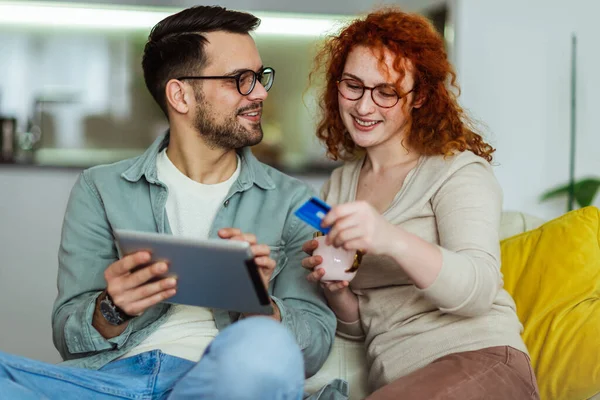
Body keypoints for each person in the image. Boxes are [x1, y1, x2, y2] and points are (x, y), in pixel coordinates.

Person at [0, 6, 337, 400]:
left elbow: (313, 345)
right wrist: (114, 308)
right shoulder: (100, 187)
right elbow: (68, 337)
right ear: (180, 95)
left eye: (259, 77)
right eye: (240, 80)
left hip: (222, 381)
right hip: (108, 384)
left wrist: (259, 307)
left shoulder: (295, 202)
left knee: (265, 345)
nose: (260, 92)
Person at [302, 8, 541, 400]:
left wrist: (388, 237)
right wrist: (336, 288)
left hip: (482, 362)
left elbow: (478, 290)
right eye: (353, 86)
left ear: (420, 96)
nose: (364, 107)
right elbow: (356, 329)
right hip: (399, 380)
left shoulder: (456, 171)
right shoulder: (338, 187)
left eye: (386, 91)